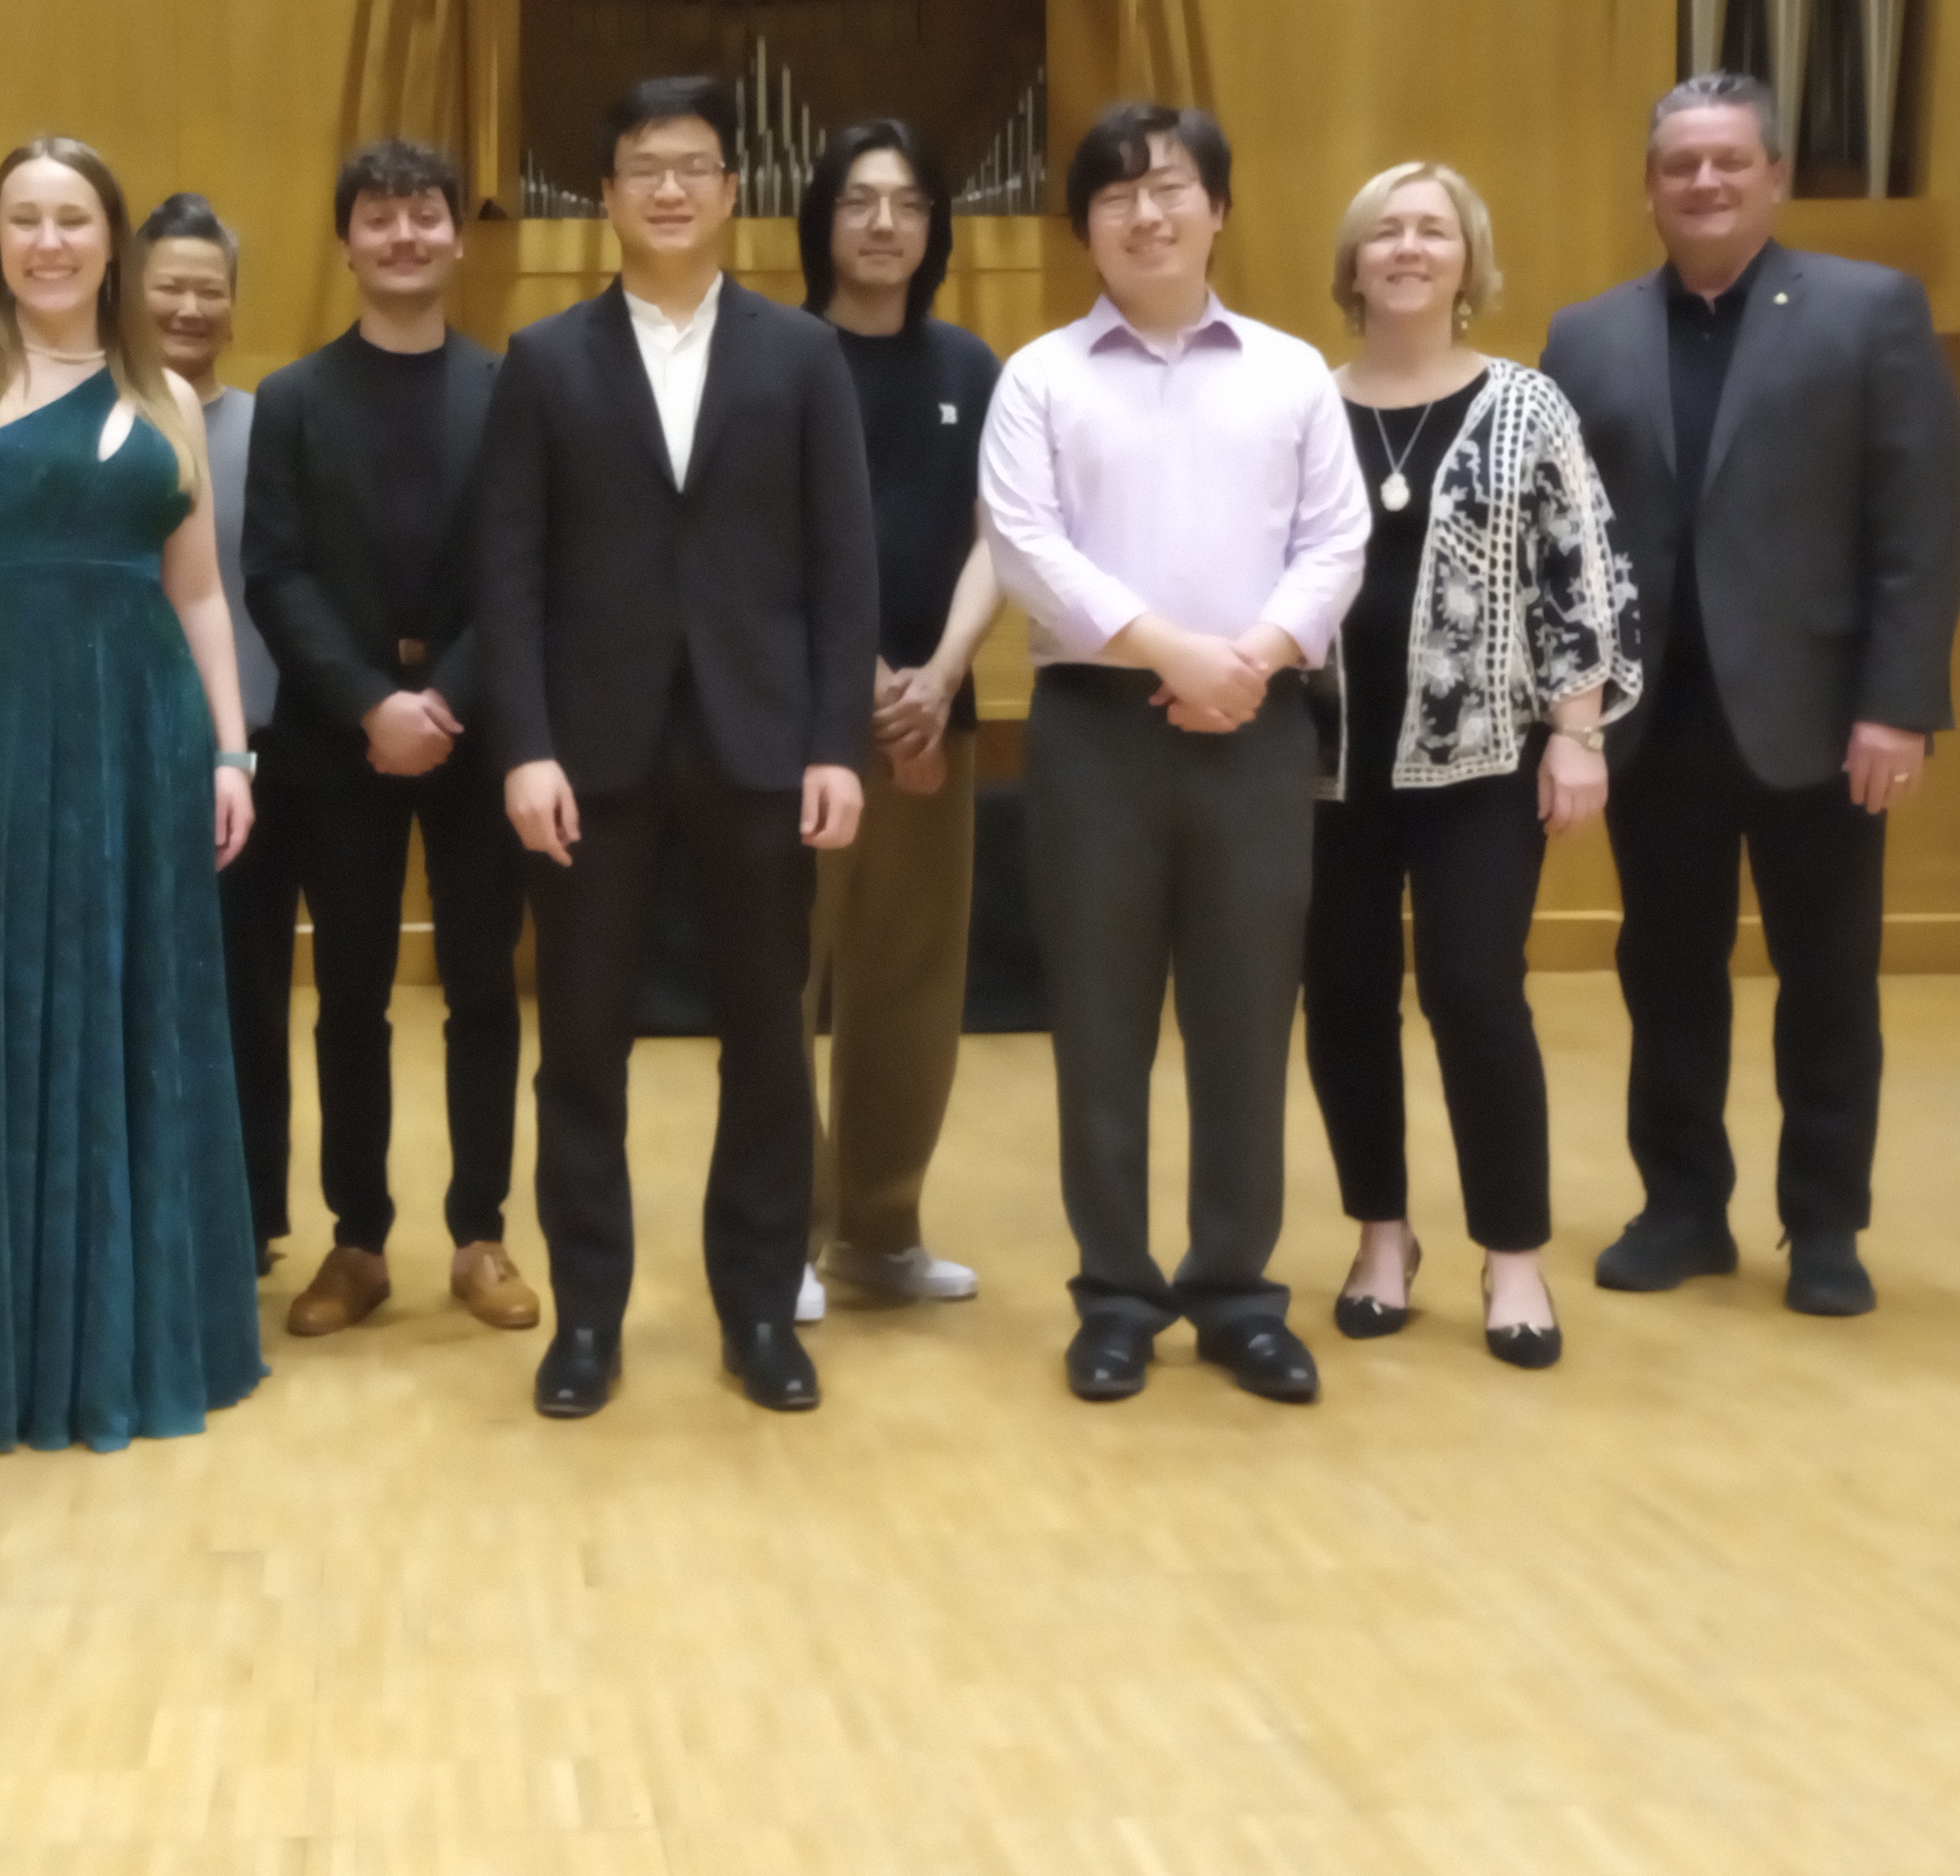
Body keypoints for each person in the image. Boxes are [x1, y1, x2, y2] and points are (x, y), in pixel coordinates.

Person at [478, 75, 878, 1421]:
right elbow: (512, 575)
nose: (668, 187)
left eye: (694, 165)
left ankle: (760, 1309)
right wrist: (523, 748)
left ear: (730, 191)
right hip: (590, 756)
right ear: (605, 197)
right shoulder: (541, 361)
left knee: (768, 1042)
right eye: (643, 165)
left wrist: (838, 742)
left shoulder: (802, 354)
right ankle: (586, 1317)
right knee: (581, 1044)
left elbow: (844, 567)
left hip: (764, 747)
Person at [1543, 75, 1960, 1316]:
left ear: (1776, 177)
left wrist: (1899, 704)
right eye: (1682, 165)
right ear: (1650, 188)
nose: (1707, 183)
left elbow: (1918, 526)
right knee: (1664, 974)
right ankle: (1682, 1209)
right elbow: (1562, 538)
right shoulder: (1587, 335)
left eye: (1732, 162)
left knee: (1828, 981)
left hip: (1823, 720)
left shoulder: (1870, 309)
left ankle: (1825, 1226)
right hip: (1653, 721)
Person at [0, 136, 267, 1453]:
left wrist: (228, 752)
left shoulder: (167, 397)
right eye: (27, 221)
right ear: (3, 242)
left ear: (114, 245)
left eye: (74, 221)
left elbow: (200, 592)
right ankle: (1, 1345)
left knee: (137, 1014)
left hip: (143, 737)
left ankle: (139, 1329)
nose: (49, 243)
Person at [981, 101, 1368, 1406]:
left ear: (1220, 209)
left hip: (1257, 729)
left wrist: (1248, 660)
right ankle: (1117, 1295)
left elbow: (1337, 544)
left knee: (1247, 1017)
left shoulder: (1293, 371)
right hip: (1097, 733)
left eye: (1173, 189)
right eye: (1117, 196)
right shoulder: (1039, 375)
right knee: (1098, 1023)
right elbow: (1028, 547)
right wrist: (1173, 654)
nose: (1147, 214)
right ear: (1084, 225)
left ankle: (1238, 1293)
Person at [1306, 162, 1639, 1372]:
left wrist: (1579, 729)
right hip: (1322, 764)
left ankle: (1511, 1256)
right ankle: (1382, 1239)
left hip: (1483, 762)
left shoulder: (1528, 404)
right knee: (1342, 996)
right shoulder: (1300, 399)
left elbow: (1578, 575)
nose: (1407, 247)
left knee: (1473, 993)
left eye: (1432, 230)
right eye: (1384, 230)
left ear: (1467, 260)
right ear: (1352, 264)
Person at [245, 141, 535, 1340]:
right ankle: (356, 1240)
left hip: (478, 737)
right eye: (380, 217)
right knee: (350, 994)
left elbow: (527, 567)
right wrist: (374, 704)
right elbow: (274, 572)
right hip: (336, 743)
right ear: (346, 241)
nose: (405, 235)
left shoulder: (513, 387)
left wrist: (443, 702)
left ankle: (481, 1235)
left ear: (459, 239)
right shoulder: (296, 397)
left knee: (482, 991)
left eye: (425, 215)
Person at [791, 120, 1002, 1324]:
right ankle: (791, 1233)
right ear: (823, 218)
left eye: (908, 203)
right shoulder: (774, 352)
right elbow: (758, 538)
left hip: (937, 716)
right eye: (861, 201)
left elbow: (1000, 536)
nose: (884, 224)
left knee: (912, 982)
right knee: (786, 978)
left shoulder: (972, 366)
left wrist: (937, 675)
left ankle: (882, 1229)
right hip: (802, 723)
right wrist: (866, 674)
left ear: (934, 229)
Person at [133, 192, 300, 1279]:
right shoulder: (98, 421)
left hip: (254, 748)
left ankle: (245, 1213)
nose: (190, 306)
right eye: (168, 285)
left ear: (234, 306)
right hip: (127, 748)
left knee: (247, 988)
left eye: (210, 288)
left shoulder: (267, 425)